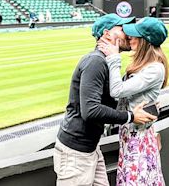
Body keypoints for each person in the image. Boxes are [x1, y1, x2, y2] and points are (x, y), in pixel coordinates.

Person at [54, 14, 157, 185]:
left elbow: (111, 102)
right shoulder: (96, 62)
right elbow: (91, 111)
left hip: (90, 148)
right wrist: (131, 116)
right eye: (122, 29)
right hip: (76, 153)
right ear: (107, 34)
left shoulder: (106, 62)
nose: (128, 34)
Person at [98, 17, 169, 185]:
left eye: (135, 35)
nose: (130, 38)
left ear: (145, 41)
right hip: (129, 137)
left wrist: (114, 58)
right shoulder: (143, 64)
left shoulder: (155, 68)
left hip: (139, 140)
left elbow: (117, 90)